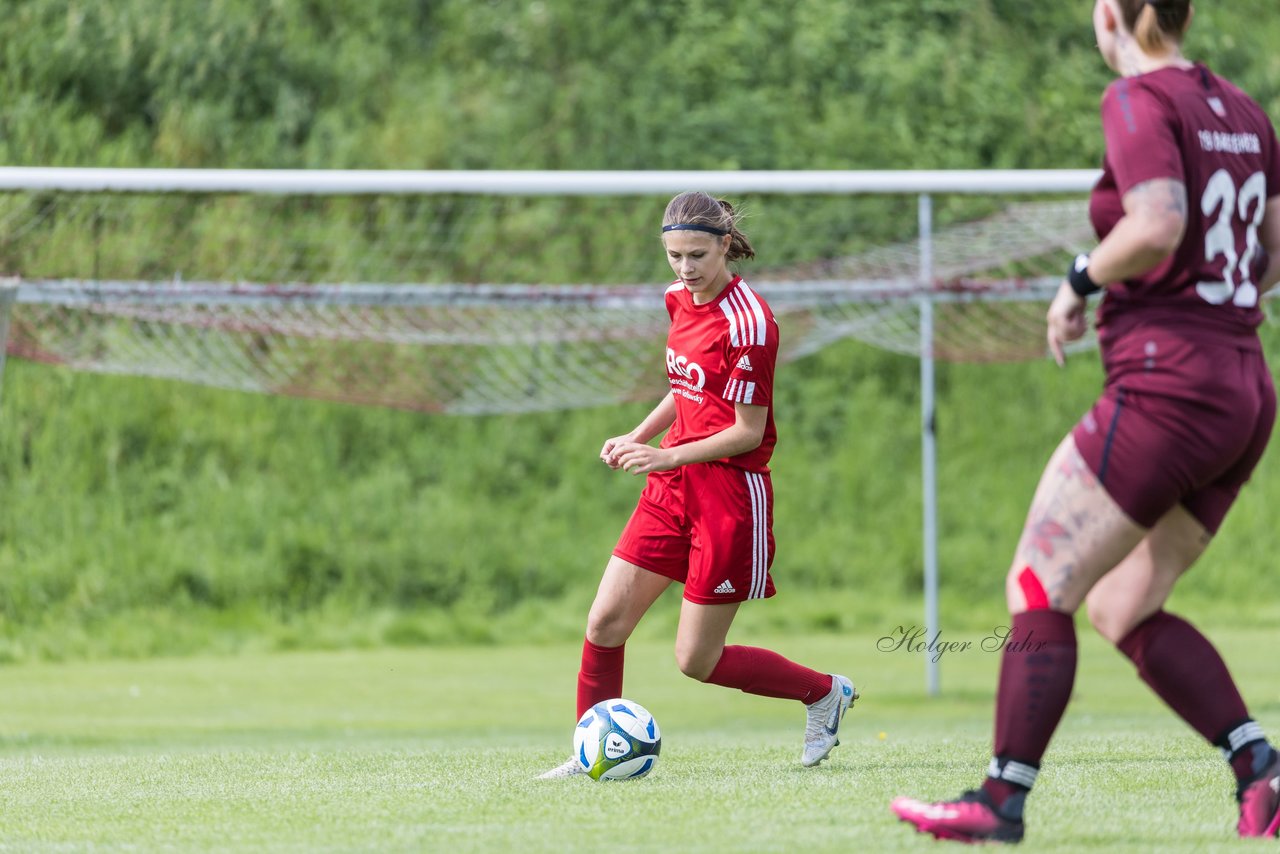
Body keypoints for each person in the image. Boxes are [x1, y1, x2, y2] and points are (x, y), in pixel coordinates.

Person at [892, 0, 1280, 843]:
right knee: (1123, 608)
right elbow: (1271, 249)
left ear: (1114, 13)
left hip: (1168, 387)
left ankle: (1000, 798)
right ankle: (1260, 768)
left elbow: (1158, 222)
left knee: (1039, 584)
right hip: (1245, 387)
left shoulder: (1138, 99)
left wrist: (1079, 281)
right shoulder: (1246, 111)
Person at [537, 191, 856, 779]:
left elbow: (745, 431)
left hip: (729, 497)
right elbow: (687, 389)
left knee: (696, 660)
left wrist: (663, 457)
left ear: (726, 245)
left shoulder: (753, 324)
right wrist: (637, 435)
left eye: (698, 255)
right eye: (675, 256)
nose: (686, 269)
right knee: (604, 623)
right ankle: (589, 759)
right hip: (673, 485)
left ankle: (823, 693)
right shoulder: (677, 300)